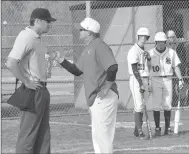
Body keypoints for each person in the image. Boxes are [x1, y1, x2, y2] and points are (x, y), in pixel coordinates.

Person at [56, 17, 119, 153]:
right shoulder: (88, 48)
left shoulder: (99, 45)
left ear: (89, 32)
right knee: (98, 135)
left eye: (82, 29)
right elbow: (77, 71)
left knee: (103, 136)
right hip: (96, 97)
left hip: (104, 95)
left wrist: (107, 88)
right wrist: (62, 60)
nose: (79, 31)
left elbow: (112, 67)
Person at [6, 8, 56, 154]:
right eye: (48, 21)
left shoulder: (36, 38)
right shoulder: (26, 36)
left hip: (42, 90)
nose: (49, 24)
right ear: (37, 21)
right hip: (34, 91)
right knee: (28, 136)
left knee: (44, 135)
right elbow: (11, 63)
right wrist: (26, 81)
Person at [148, 32, 184, 136]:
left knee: (167, 104)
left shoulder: (171, 52)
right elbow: (147, 68)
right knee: (156, 105)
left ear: (165, 42)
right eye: (158, 42)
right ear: (155, 42)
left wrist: (180, 79)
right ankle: (158, 128)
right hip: (155, 79)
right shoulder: (150, 53)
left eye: (162, 42)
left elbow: (176, 66)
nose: (160, 44)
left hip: (168, 79)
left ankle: (167, 128)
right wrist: (148, 81)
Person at [127, 27, 151, 139]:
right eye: (141, 36)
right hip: (136, 79)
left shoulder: (144, 51)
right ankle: (140, 131)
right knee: (139, 105)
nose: (143, 38)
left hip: (145, 78)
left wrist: (149, 59)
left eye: (145, 36)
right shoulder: (133, 50)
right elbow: (134, 68)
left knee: (142, 105)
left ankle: (137, 131)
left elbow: (147, 68)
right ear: (138, 37)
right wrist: (140, 83)